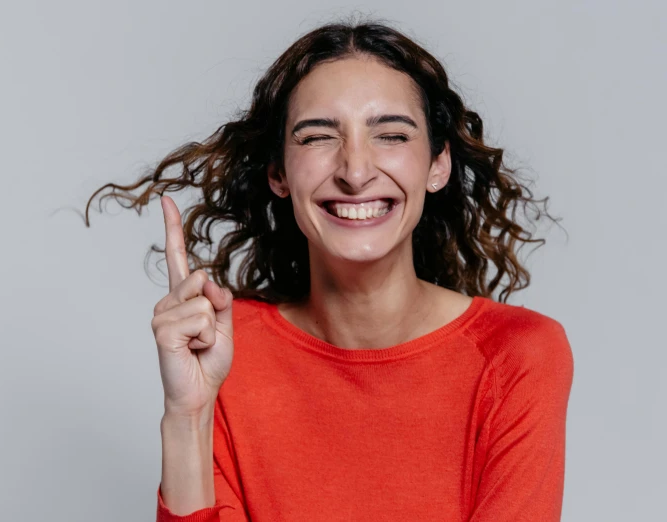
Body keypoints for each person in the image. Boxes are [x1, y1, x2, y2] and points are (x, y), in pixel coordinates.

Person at [85, 19, 574, 522]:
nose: (355, 171)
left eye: (391, 135)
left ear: (438, 164)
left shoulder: (517, 355)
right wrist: (188, 416)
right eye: (318, 137)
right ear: (278, 172)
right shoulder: (225, 351)